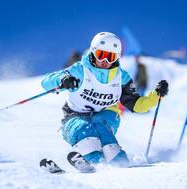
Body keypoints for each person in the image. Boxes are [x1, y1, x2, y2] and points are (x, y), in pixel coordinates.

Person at [41, 32, 169, 167]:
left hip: (106, 115)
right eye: (101, 55)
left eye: (111, 57)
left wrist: (155, 96)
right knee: (84, 128)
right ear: (93, 52)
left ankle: (119, 163)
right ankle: (95, 162)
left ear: (117, 57)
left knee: (102, 129)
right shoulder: (80, 70)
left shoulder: (121, 78)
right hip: (74, 116)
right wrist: (63, 80)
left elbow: (137, 105)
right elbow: (46, 82)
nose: (105, 61)